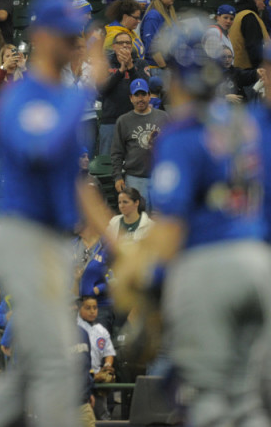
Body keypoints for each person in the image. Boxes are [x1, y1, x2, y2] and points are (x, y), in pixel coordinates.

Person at [112, 26, 271, 427]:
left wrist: (151, 288)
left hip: (208, 269)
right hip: (258, 265)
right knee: (252, 402)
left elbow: (171, 227)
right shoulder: (249, 123)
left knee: (209, 403)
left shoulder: (182, 133)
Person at [0, 0, 89, 427]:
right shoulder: (25, 95)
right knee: (56, 364)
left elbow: (75, 185)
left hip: (47, 241)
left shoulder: (57, 97)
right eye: (64, 35)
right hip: (22, 236)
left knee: (33, 369)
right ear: (41, 36)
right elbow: (41, 147)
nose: (72, 44)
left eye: (76, 36)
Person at [111, 78, 169, 210]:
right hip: (134, 177)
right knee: (138, 220)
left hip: (159, 176)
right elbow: (116, 152)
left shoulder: (163, 117)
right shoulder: (123, 121)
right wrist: (118, 176)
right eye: (136, 95)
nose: (140, 99)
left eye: (143, 94)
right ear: (131, 98)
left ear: (149, 96)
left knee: (162, 220)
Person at [97, 31, 150, 156]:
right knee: (106, 162)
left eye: (128, 43)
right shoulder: (105, 63)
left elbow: (146, 87)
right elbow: (101, 89)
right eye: (121, 43)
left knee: (135, 159)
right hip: (110, 121)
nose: (125, 46)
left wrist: (131, 67)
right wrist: (120, 71)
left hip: (136, 120)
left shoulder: (141, 63)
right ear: (114, 46)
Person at [77, 296, 116, 419]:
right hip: (80, 380)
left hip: (98, 377)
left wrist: (107, 366)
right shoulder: (74, 328)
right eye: (88, 308)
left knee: (102, 415)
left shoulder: (101, 330)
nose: (92, 311)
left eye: (95, 308)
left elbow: (108, 352)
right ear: (79, 309)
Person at [229, 0, 270, 70]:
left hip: (240, 69)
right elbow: (254, 47)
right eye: (262, 1)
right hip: (248, 70)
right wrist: (261, 69)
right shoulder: (249, 17)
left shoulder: (240, 14)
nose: (264, 5)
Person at [140, 0, 178, 69]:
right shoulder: (153, 16)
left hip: (168, 66)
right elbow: (152, 47)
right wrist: (164, 67)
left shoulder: (168, 14)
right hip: (156, 67)